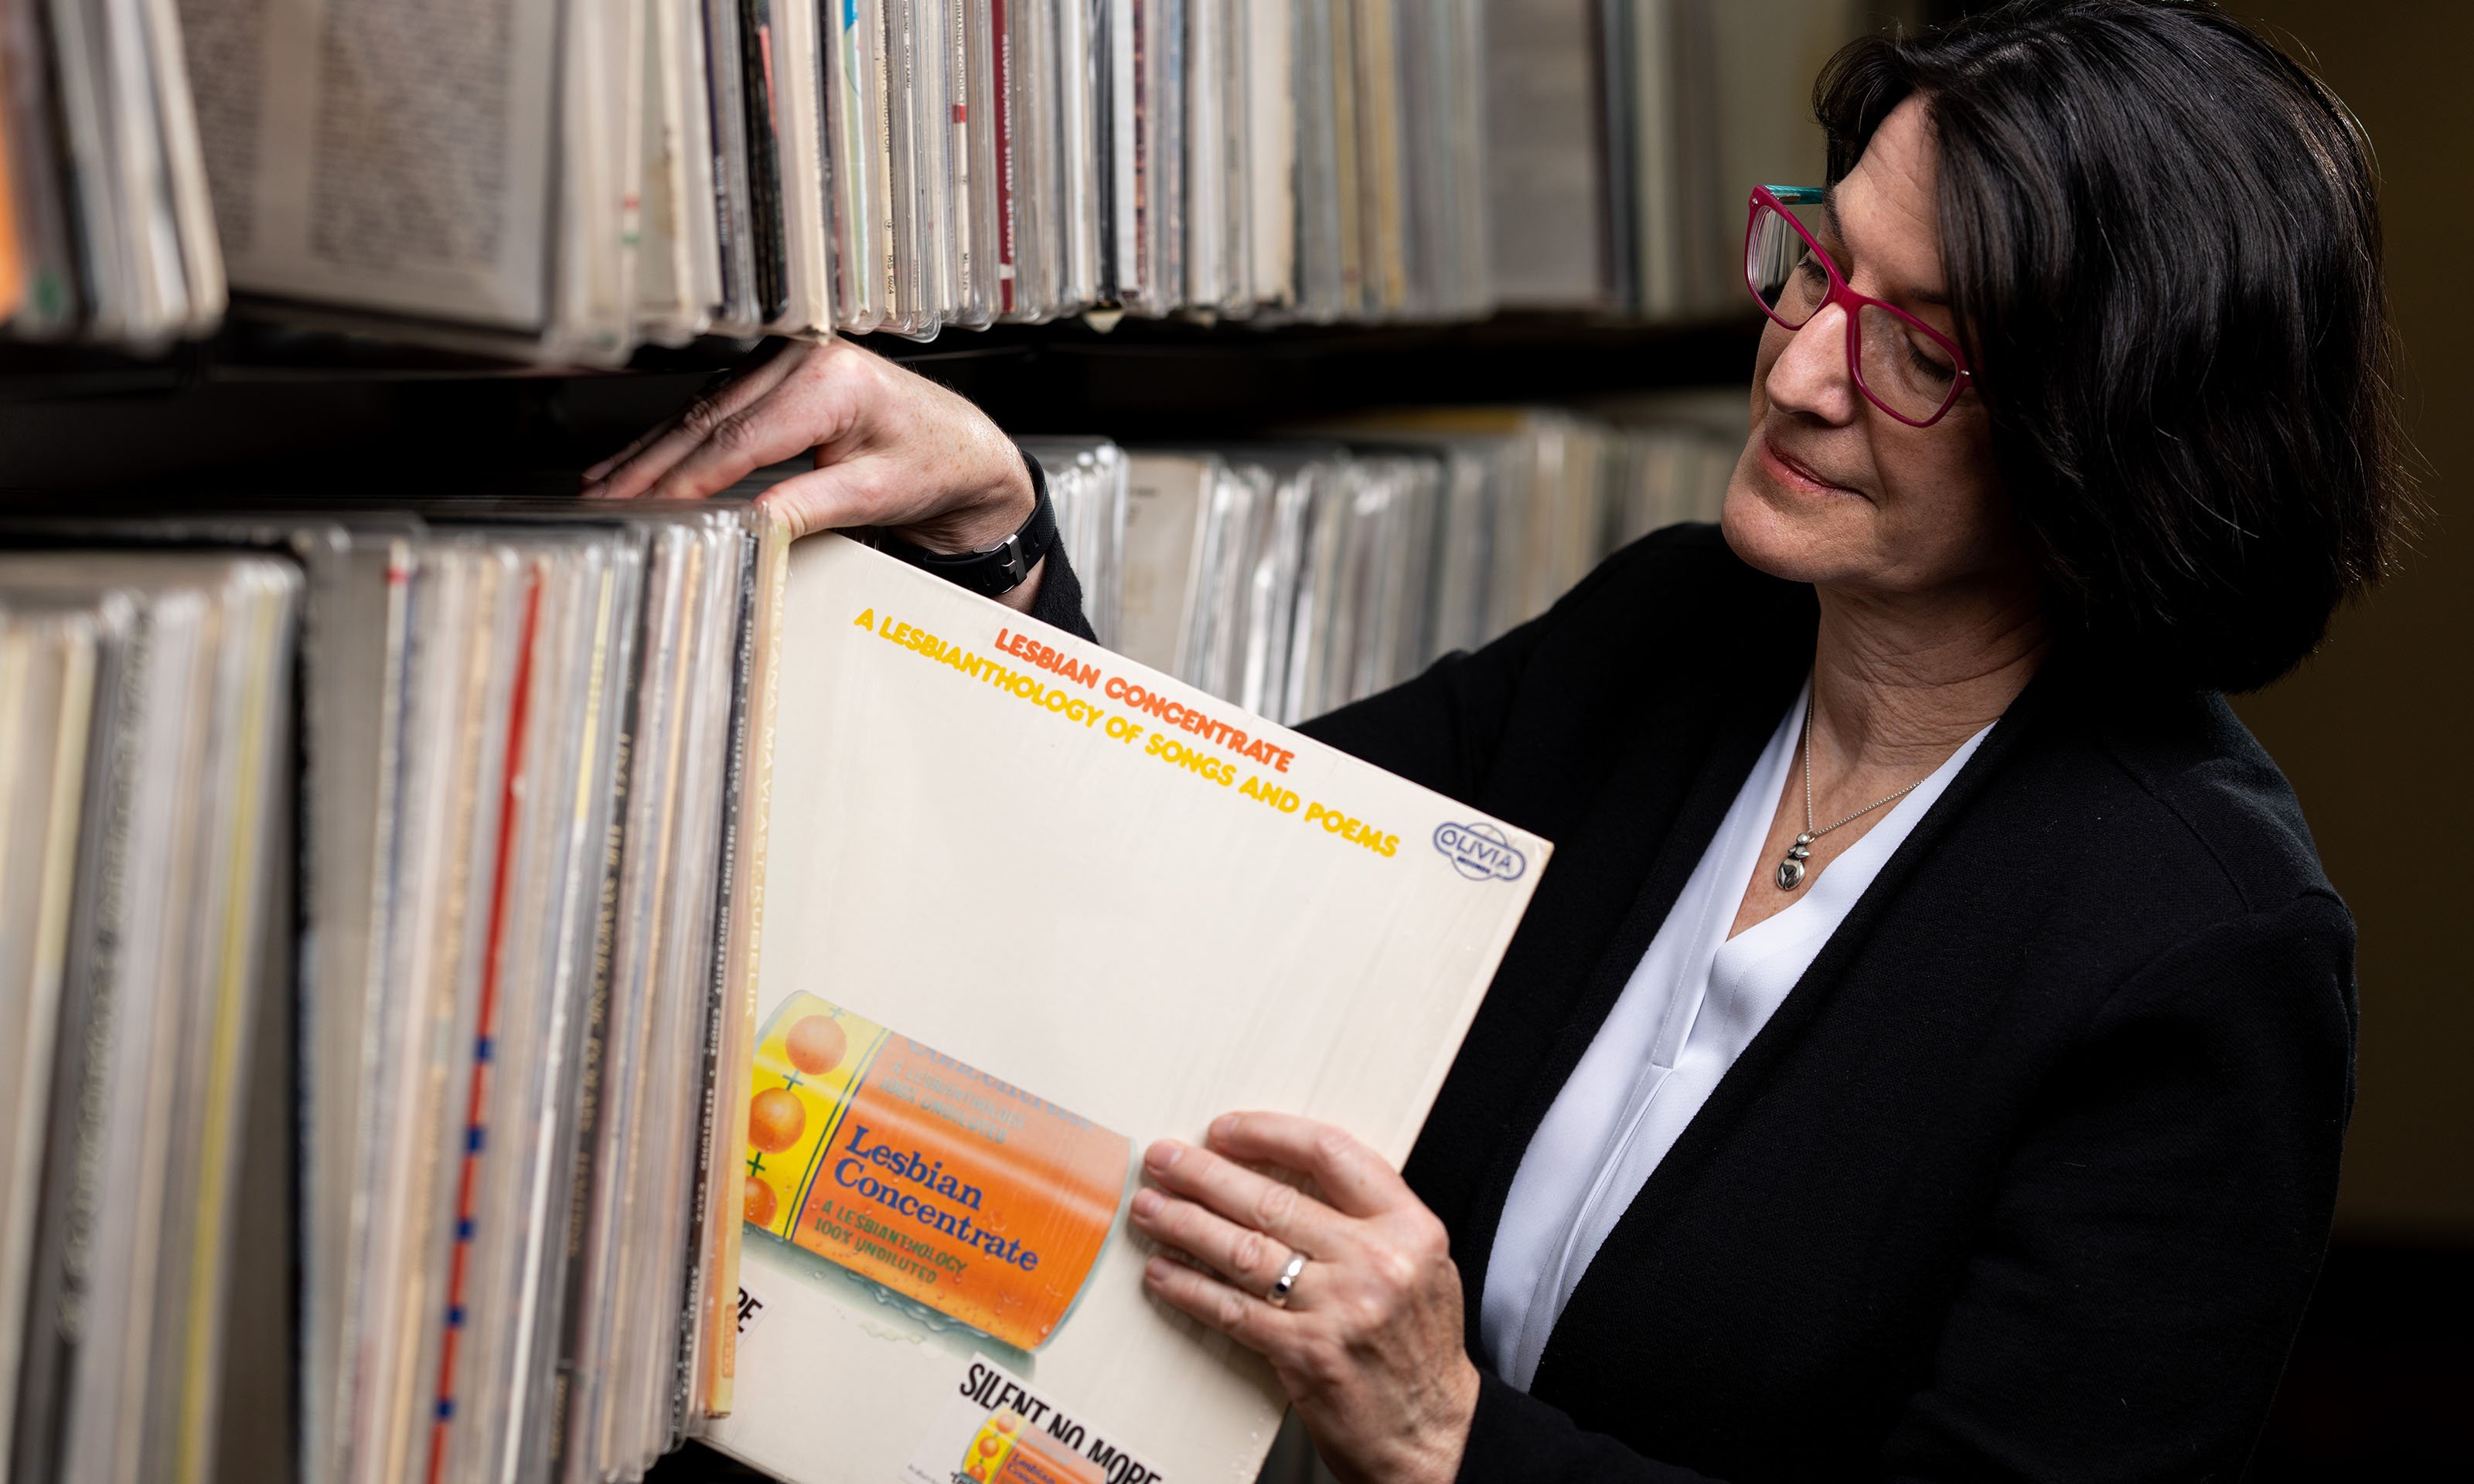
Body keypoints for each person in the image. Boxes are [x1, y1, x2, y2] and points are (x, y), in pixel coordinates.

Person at [588, 2, 2402, 1477]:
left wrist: (1447, 1433)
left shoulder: (2198, 950)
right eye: (1814, 268)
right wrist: (995, 529)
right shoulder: (1682, 629)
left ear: (2125, 426)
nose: (1792, 370)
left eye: (1919, 350)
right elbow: (1211, 884)